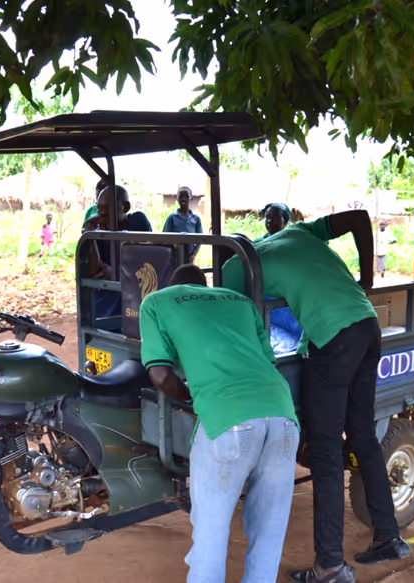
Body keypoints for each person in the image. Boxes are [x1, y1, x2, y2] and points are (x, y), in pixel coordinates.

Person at [221, 210, 409, 583]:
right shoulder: (299, 232)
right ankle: (389, 537)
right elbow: (358, 218)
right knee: (361, 434)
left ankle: (330, 566)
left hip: (335, 341)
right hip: (367, 326)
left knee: (324, 451)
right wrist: (367, 277)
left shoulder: (233, 266)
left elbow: (240, 323)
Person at [140, 264, 299, 583]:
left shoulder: (157, 301)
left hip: (227, 420)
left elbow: (160, 375)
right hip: (283, 416)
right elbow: (266, 359)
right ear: (206, 286)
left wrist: (192, 396)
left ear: (175, 285)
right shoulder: (240, 301)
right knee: (269, 532)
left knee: (210, 537)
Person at [84, 185, 152, 319]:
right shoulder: (98, 235)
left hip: (135, 304)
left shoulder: (137, 222)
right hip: (106, 307)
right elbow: (96, 271)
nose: (101, 213)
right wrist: (89, 232)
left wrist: (115, 272)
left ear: (125, 207)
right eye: (99, 208)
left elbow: (144, 263)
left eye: (107, 208)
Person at [162, 186, 203, 262]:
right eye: (181, 196)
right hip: (174, 258)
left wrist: (193, 255)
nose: (183, 199)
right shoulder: (172, 218)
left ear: (191, 198)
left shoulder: (196, 219)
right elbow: (165, 238)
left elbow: (200, 240)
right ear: (177, 198)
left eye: (186, 196)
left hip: (189, 258)